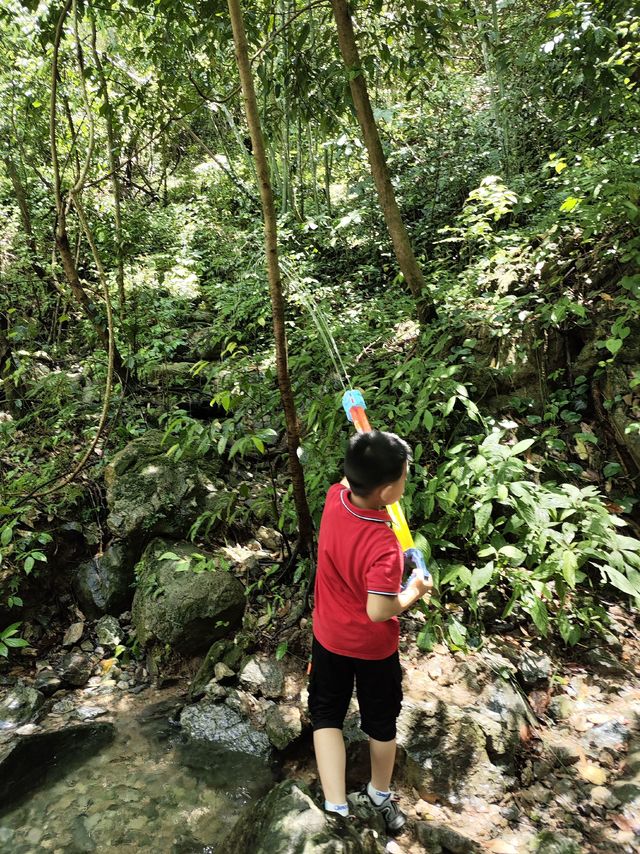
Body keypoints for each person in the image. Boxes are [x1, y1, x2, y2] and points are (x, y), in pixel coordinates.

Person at [309, 429, 432, 835]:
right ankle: (379, 795)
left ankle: (336, 807)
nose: (406, 479)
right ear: (386, 491)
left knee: (326, 715)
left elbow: (354, 476)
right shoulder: (382, 543)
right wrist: (414, 587)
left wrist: (365, 436)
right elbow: (379, 609)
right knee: (381, 722)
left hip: (329, 637)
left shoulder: (334, 499)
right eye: (403, 476)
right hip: (373, 648)